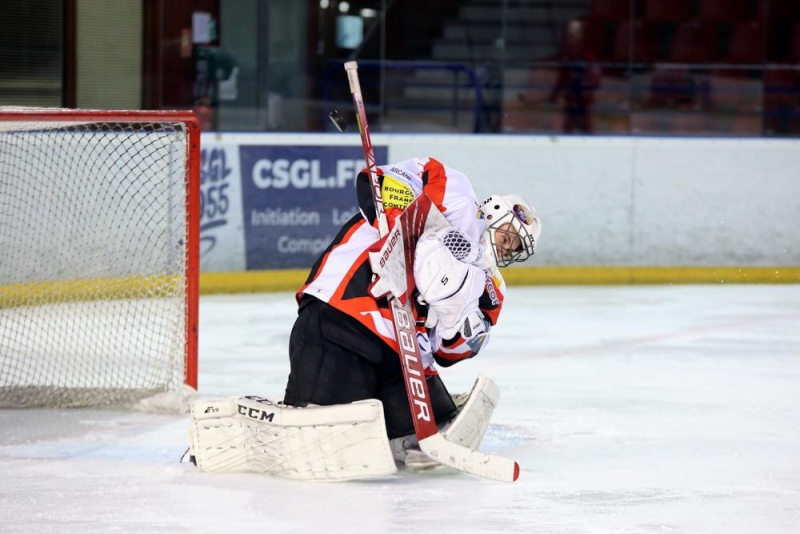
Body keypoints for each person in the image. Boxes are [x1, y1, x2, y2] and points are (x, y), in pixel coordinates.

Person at [282, 156, 541, 459]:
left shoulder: (489, 287)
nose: (507, 247)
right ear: (494, 210)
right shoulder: (455, 193)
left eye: (514, 249)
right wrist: (403, 238)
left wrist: (453, 315)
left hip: (404, 358)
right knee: (322, 436)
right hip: (346, 314)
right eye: (508, 236)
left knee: (431, 437)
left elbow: (451, 352)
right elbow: (377, 184)